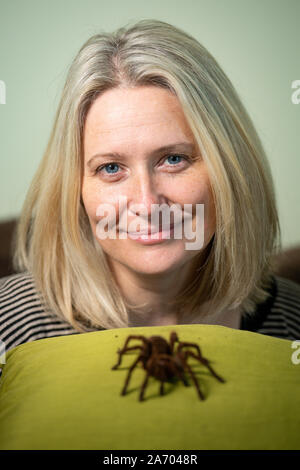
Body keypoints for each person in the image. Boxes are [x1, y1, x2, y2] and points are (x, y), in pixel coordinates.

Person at [1, 19, 300, 360]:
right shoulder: (9, 328)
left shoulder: (292, 326)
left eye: (173, 159)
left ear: (230, 169)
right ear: (76, 190)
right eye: (111, 168)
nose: (146, 203)